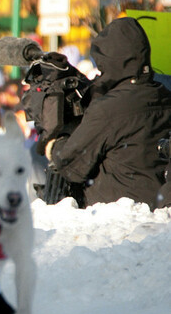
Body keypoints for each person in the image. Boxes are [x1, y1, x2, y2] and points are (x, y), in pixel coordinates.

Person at [45, 17, 171, 209]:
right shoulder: (163, 95)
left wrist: (55, 144)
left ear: (109, 61)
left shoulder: (109, 108)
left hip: (118, 216)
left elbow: (71, 165)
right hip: (160, 210)